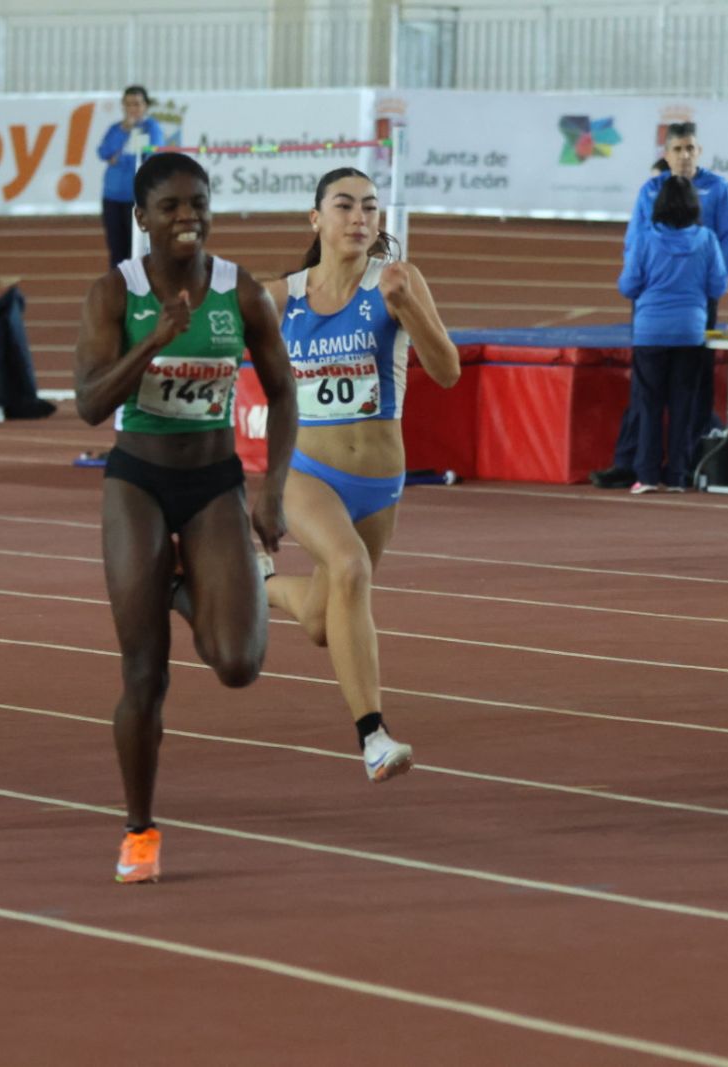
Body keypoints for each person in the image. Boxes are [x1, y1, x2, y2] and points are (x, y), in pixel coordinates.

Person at [73, 151, 297, 882]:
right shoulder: (116, 293)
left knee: (238, 662)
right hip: (137, 480)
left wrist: (272, 492)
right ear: (141, 217)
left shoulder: (241, 292)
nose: (186, 217)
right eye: (169, 206)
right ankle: (140, 830)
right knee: (145, 673)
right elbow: (89, 404)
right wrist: (155, 340)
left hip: (214, 482)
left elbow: (284, 391)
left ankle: (172, 582)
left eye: (197, 203)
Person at [262, 167, 460, 783]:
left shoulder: (396, 282)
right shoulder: (279, 297)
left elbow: (448, 371)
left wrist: (408, 309)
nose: (359, 218)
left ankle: (257, 580)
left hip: (379, 484)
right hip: (307, 471)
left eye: (370, 207)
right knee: (351, 569)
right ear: (315, 219)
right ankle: (373, 735)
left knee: (324, 622)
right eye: (344, 205)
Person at [591, 123, 728, 489]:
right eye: (678, 149)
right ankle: (653, 465)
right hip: (673, 302)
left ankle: (671, 467)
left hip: (690, 301)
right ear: (667, 154)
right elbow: (634, 240)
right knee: (658, 392)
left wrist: (708, 286)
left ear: (699, 151)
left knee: (683, 391)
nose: (685, 156)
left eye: (690, 148)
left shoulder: (716, 188)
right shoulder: (651, 190)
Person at [618, 176, 728, 493]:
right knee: (684, 406)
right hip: (690, 332)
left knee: (649, 405)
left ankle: (647, 474)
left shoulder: (645, 239)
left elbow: (628, 285)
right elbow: (717, 286)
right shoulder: (707, 239)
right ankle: (678, 475)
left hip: (651, 332)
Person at [97, 85, 165, 269]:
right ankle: (119, 291)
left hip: (137, 199)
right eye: (128, 104)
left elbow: (151, 156)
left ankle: (142, 290)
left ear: (146, 106)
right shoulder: (116, 129)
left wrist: (119, 158)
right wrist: (123, 131)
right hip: (111, 196)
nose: (132, 109)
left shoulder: (151, 128)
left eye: (137, 104)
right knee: (116, 250)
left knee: (138, 251)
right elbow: (103, 152)